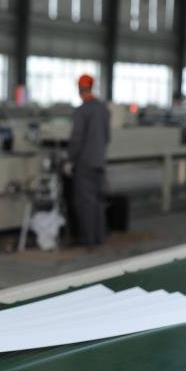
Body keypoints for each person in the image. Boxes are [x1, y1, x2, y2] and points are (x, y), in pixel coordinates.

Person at [65, 74, 110, 245]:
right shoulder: (103, 109)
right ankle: (99, 238)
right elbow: (107, 137)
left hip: (84, 164)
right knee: (98, 202)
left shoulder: (82, 111)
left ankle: (88, 240)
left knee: (84, 202)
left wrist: (70, 160)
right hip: (99, 161)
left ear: (79, 89)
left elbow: (77, 139)